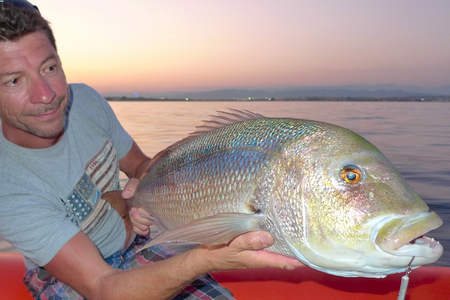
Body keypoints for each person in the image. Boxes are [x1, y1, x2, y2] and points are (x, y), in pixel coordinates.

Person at [0, 1, 302, 299]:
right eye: (14, 80)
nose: (47, 95)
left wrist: (144, 192)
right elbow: (103, 287)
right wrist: (206, 258)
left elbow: (140, 167)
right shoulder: (7, 186)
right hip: (72, 276)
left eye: (49, 67)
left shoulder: (86, 102)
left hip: (140, 239)